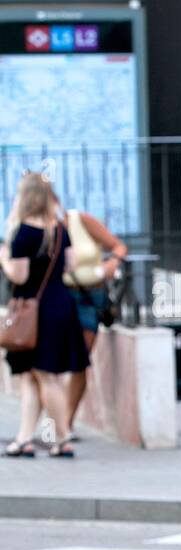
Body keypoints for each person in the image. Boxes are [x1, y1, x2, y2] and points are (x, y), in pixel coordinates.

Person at [1, 173, 87, 458]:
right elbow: (71, 265)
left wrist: (4, 258)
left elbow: (19, 274)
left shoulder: (23, 233)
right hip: (59, 303)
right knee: (31, 378)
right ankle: (24, 438)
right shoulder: (60, 229)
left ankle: (62, 439)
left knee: (45, 376)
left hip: (33, 311)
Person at [63, 206, 126, 441]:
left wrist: (113, 262)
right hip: (62, 296)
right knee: (56, 364)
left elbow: (118, 246)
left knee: (80, 361)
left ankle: (66, 423)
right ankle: (58, 424)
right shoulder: (44, 229)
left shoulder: (81, 220)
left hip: (91, 297)